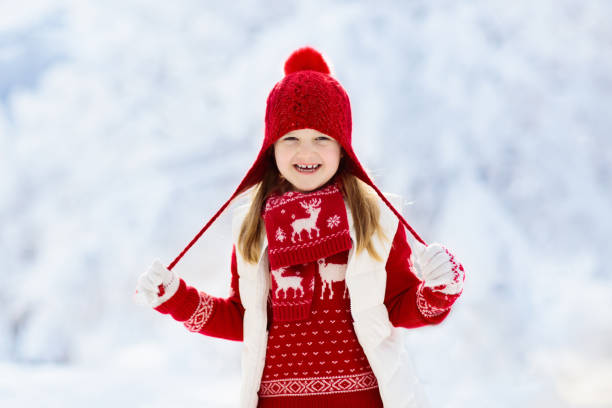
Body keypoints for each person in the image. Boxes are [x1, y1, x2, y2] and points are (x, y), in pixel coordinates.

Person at [135, 46, 465, 408]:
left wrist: (438, 288)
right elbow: (244, 319)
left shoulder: (375, 219)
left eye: (322, 138)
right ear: (271, 149)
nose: (305, 152)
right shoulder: (254, 225)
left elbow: (400, 307)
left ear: (342, 148)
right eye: (291, 138)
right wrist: (176, 298)